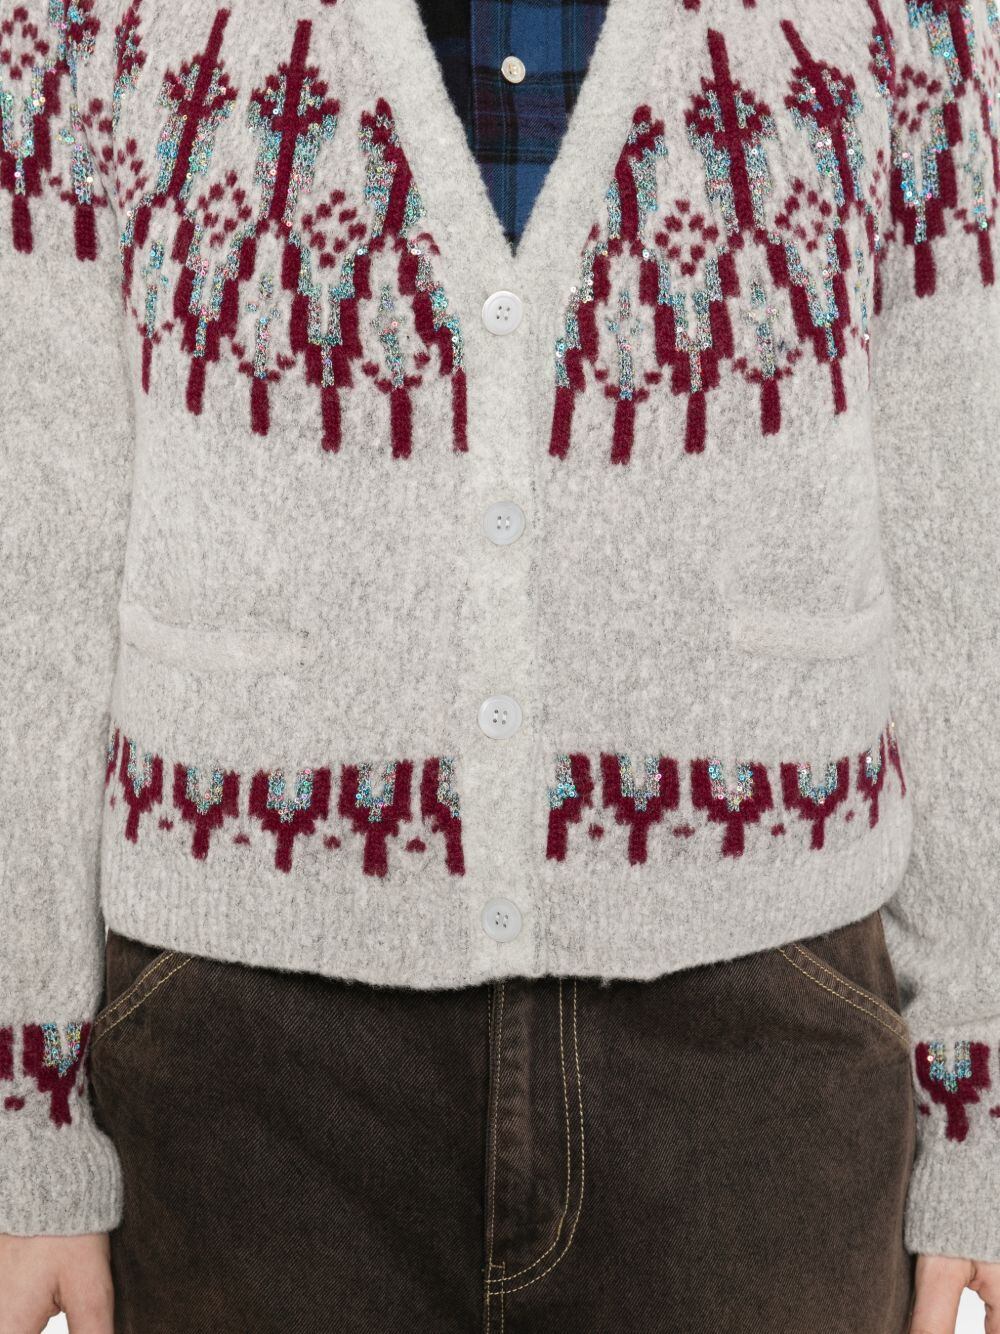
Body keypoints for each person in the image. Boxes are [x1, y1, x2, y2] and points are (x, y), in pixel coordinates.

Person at [1, 0, 998, 1330]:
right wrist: (24, 1107)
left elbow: (960, 509)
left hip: (762, 1033)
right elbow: (38, 518)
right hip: (244, 1041)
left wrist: (981, 1093)